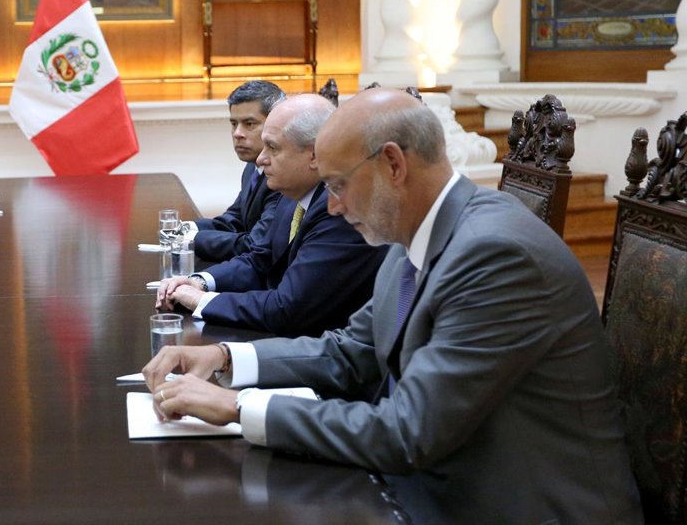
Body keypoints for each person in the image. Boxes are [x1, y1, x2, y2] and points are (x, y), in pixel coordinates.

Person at [144, 89, 641, 523]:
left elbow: (408, 432)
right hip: (435, 480)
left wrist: (237, 407)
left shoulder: (496, 255)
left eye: (338, 185)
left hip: (507, 506)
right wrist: (225, 358)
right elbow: (351, 349)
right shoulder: (412, 233)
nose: (332, 206)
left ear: (393, 165)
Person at [157, 94, 387, 335]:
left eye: (273, 148)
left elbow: (288, 308)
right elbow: (260, 261)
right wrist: (199, 281)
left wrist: (201, 300)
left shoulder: (338, 210)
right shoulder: (291, 194)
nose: (260, 159)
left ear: (314, 155)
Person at [183, 80, 284, 263]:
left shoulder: (283, 177)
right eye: (233, 123)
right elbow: (235, 219)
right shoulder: (252, 167)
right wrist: (186, 228)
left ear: (275, 124)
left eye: (249, 124)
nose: (237, 133)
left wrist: (190, 240)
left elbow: (255, 243)